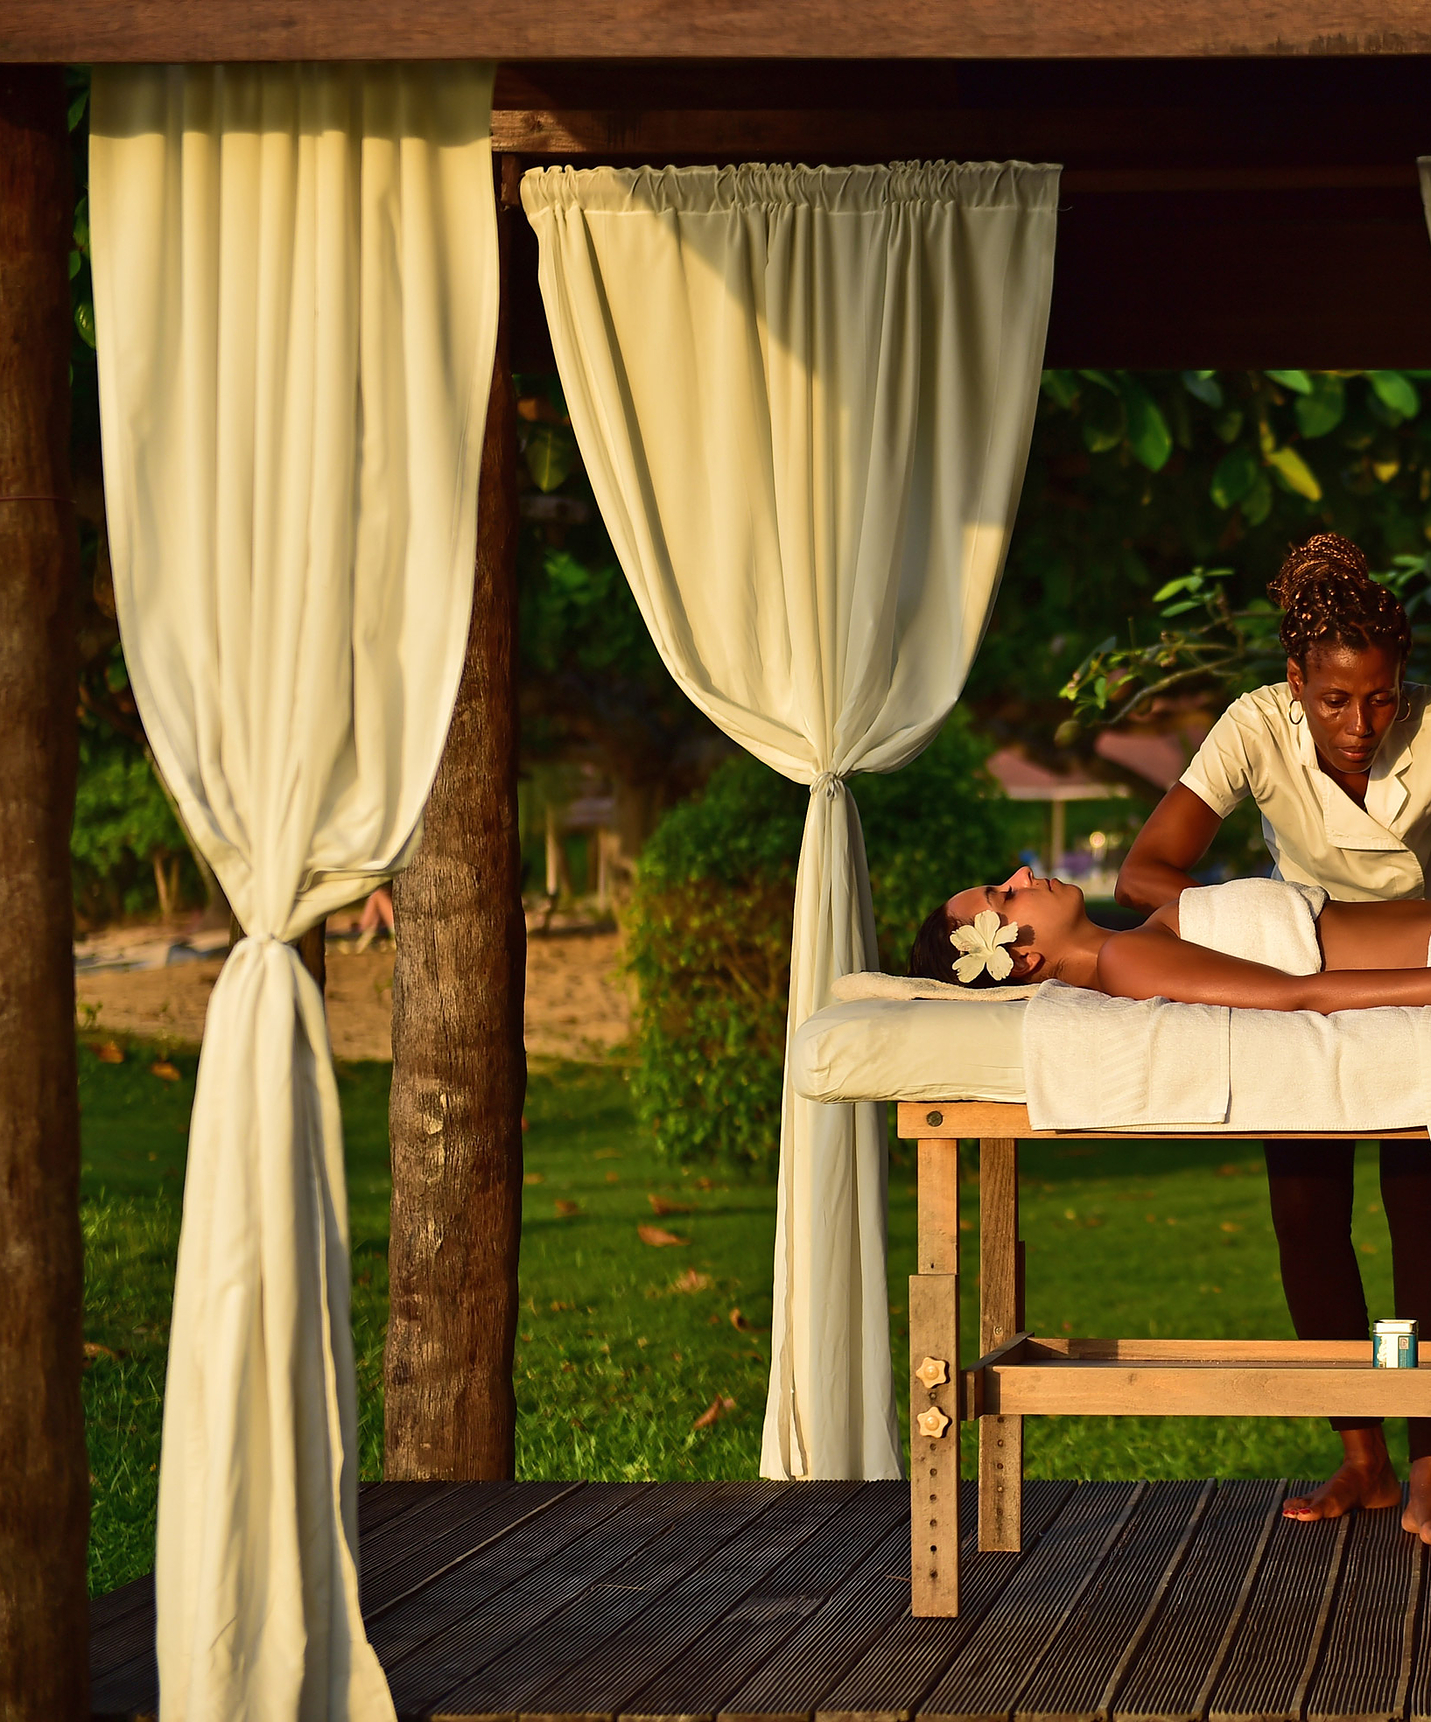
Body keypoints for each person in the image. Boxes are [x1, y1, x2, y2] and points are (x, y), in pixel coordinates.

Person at [908, 863, 1431, 1538]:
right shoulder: (1124, 955)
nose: (1022, 873)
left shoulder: (1136, 941)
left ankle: (1393, 1460)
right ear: (1025, 957)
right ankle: (1389, 1460)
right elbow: (1297, 996)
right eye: (1002, 896)